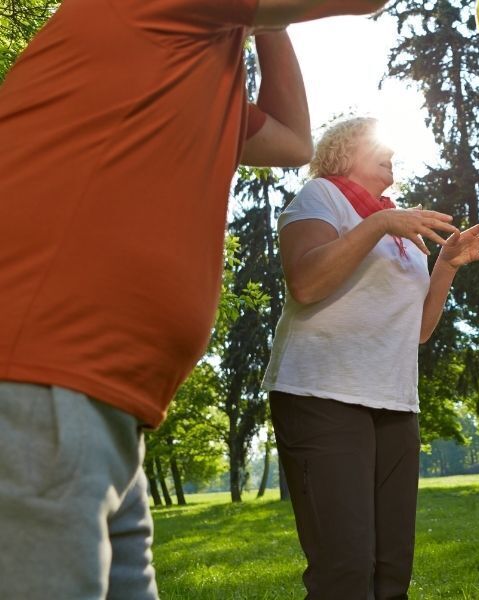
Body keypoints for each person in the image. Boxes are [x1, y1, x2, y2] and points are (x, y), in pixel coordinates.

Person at [0, 1, 392, 597]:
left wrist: (273, 24)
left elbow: (291, 141)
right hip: (38, 380)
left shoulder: (188, 62)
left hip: (97, 406)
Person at [261, 116, 479, 599]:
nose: (390, 150)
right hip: (321, 395)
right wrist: (378, 223)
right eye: (377, 143)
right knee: (345, 570)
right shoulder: (321, 197)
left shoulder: (400, 225)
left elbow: (416, 330)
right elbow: (306, 283)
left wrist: (446, 266)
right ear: (343, 150)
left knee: (391, 571)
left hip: (394, 404)